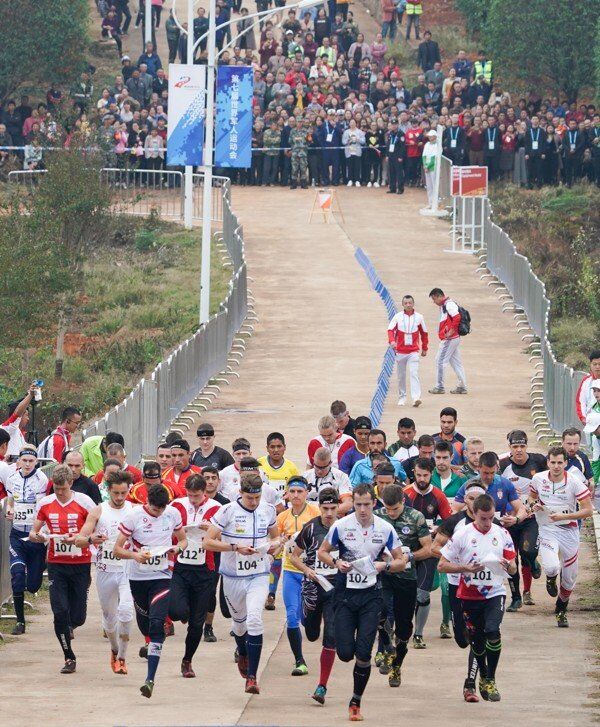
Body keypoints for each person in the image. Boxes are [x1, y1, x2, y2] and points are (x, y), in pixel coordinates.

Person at [318, 483, 408, 721]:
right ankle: (353, 652)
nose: (362, 509)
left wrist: (384, 566)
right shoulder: (341, 525)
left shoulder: (385, 528)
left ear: (374, 504)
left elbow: (401, 560)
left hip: (372, 595)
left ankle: (356, 700)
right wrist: (336, 563)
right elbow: (322, 552)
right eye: (358, 504)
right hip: (346, 595)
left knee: (364, 654)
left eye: (367, 504)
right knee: (346, 653)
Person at [204, 473, 281, 694]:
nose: (254, 502)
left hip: (258, 574)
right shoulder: (227, 511)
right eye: (249, 498)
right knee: (239, 624)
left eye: (257, 498)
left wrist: (272, 552)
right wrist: (234, 547)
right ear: (240, 494)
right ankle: (243, 651)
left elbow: (275, 539)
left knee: (255, 620)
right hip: (232, 576)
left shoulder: (267, 509)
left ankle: (252, 677)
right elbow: (207, 542)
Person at [438, 493, 517, 703]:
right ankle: (481, 677)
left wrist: (508, 565)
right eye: (483, 518)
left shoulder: (502, 533)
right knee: (476, 642)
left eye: (491, 517)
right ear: (474, 514)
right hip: (469, 595)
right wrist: (464, 567)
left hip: (494, 593)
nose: (487, 523)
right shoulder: (462, 535)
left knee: (493, 631)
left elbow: (513, 566)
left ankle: (490, 678)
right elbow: (441, 565)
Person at [114, 484, 187, 698]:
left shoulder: (172, 513)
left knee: (157, 624)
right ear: (147, 503)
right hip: (138, 577)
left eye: (162, 509)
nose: (159, 513)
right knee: (145, 623)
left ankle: (150, 679)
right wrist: (135, 556)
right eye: (156, 510)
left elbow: (183, 540)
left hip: (162, 576)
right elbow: (117, 549)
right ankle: (150, 640)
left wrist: (177, 548)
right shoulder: (133, 516)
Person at [29, 465, 96, 673]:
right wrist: (38, 536)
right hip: (56, 564)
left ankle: (71, 625)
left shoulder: (84, 501)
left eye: (63, 489)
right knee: (59, 611)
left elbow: (96, 525)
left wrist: (84, 538)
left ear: (71, 484)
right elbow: (34, 531)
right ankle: (69, 657)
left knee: (78, 617)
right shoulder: (46, 503)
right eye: (56, 489)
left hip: (80, 563)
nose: (59, 493)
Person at [432, 480, 492, 702]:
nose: (475, 502)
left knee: (480, 634)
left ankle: (474, 682)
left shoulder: (492, 524)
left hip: (485, 589)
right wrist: (456, 558)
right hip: (458, 584)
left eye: (479, 498)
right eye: (470, 498)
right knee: (461, 638)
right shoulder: (455, 523)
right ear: (464, 500)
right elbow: (434, 547)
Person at [74, 470, 135, 674]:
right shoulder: (98, 511)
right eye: (115, 493)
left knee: (126, 613)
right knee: (110, 620)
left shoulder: (135, 511)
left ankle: (123, 658)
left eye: (123, 493)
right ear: (108, 491)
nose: (119, 498)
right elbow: (79, 539)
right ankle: (114, 649)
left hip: (127, 570)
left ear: (129, 491)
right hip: (105, 571)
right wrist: (92, 539)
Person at [530, 447, 593, 627]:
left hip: (568, 531)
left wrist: (564, 516)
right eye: (553, 462)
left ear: (565, 463)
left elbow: (588, 510)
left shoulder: (574, 482)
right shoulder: (538, 479)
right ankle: (550, 577)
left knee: (570, 578)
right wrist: (534, 505)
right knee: (551, 565)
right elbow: (532, 496)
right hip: (547, 529)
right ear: (548, 462)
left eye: (560, 463)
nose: (556, 466)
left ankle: (561, 608)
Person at [289, 487, 340, 704]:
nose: (329, 513)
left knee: (331, 636)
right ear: (318, 507)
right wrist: (307, 570)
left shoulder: (345, 528)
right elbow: (294, 556)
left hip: (335, 589)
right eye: (325, 508)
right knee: (311, 633)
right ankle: (310, 622)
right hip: (312, 587)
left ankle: (322, 686)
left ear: (338, 507)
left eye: (332, 508)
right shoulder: (310, 528)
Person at [376, 483, 430, 686]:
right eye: (387, 509)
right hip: (383, 574)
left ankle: (396, 665)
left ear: (403, 502)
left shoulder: (416, 517)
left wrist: (409, 557)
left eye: (395, 509)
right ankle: (386, 646)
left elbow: (428, 549)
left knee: (404, 626)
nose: (390, 513)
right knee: (378, 611)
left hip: (406, 577)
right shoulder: (378, 516)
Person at [169, 474, 222, 677]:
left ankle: (187, 660)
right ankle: (185, 611)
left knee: (197, 624)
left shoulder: (217, 508)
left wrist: (213, 530)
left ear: (204, 492)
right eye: (190, 495)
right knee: (175, 611)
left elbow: (225, 536)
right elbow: (166, 530)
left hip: (205, 569)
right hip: (181, 568)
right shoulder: (176, 506)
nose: (193, 500)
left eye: (197, 496)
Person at [404, 457, 453, 643]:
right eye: (418, 475)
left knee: (423, 594)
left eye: (425, 475)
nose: (422, 479)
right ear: (414, 474)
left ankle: (418, 634)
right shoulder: (406, 494)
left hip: (429, 550)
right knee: (406, 594)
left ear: (431, 474)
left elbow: (449, 522)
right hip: (408, 550)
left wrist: (438, 530)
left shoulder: (438, 496)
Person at [276, 476, 320, 675]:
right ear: (287, 493)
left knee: (307, 620)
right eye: (292, 491)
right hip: (291, 572)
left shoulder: (316, 513)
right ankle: (299, 661)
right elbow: (275, 544)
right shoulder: (282, 517)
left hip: (311, 574)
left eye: (299, 492)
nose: (295, 495)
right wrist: (280, 542)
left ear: (306, 493)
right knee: (292, 616)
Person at [498, 431, 547, 610]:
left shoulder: (539, 461)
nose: (519, 450)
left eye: (522, 446)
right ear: (509, 447)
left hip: (530, 517)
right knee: (511, 560)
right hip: (510, 520)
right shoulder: (502, 464)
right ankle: (516, 597)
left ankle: (531, 572)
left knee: (527, 552)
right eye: (515, 447)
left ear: (527, 445)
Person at [5, 445, 49, 634]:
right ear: (19, 461)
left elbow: (41, 507)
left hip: (35, 536)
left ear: (37, 462)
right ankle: (20, 622)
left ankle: (41, 566)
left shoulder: (41, 479)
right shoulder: (12, 478)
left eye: (31, 461)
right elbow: (10, 500)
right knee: (17, 577)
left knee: (33, 585)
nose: (28, 464)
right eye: (25, 460)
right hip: (17, 535)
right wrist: (9, 509)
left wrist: (37, 529)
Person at [387, 294, 428, 407]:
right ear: (402, 305)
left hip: (413, 351)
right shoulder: (397, 317)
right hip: (400, 351)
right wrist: (392, 341)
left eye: (410, 303)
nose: (408, 305)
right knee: (401, 376)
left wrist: (424, 348)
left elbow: (424, 333)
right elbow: (390, 330)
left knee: (414, 373)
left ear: (413, 304)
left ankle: (416, 398)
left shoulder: (419, 317)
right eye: (406, 303)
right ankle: (402, 397)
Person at [428, 288, 467, 395]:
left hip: (450, 339)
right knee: (456, 363)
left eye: (434, 299)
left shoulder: (449, 305)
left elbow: (457, 317)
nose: (434, 302)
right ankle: (462, 386)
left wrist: (451, 331)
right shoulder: (445, 305)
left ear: (439, 296)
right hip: (454, 338)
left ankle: (439, 386)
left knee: (440, 361)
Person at [303, 447, 354, 514]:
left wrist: (327, 512)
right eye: (317, 466)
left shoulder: (341, 477)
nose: (320, 471)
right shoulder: (304, 476)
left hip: (332, 516)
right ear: (313, 460)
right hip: (308, 515)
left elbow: (348, 504)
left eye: (323, 467)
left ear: (330, 463)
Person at [575, 350, 600, 426]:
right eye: (594, 364)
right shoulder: (586, 381)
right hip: (590, 424)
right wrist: (583, 418)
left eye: (599, 364)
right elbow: (580, 401)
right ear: (590, 364)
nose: (597, 367)